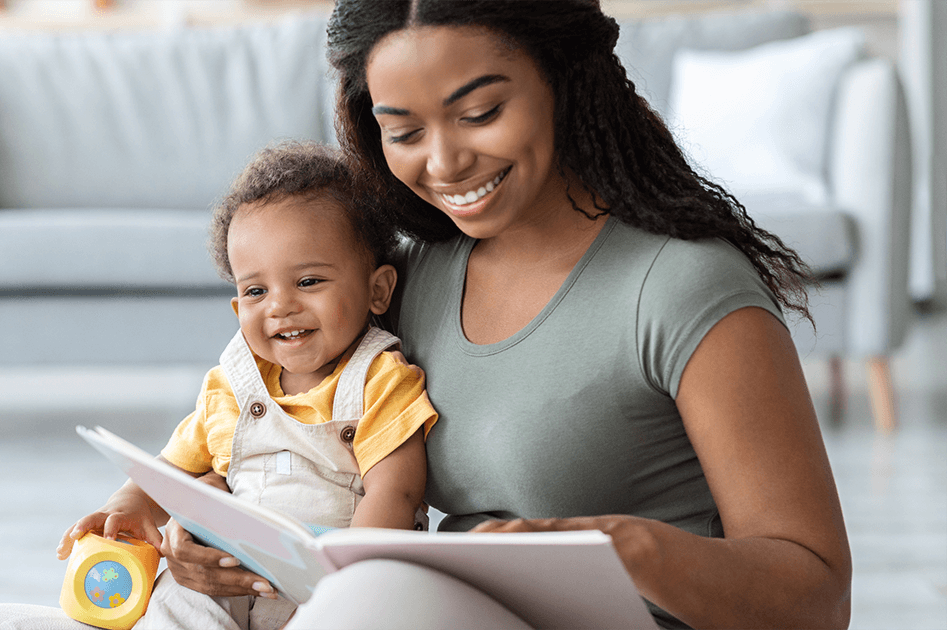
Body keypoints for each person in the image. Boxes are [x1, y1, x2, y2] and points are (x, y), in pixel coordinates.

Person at [167, 2, 853, 629]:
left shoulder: (684, 287)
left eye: (480, 113)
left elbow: (817, 597)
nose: (445, 161)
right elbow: (290, 431)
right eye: (403, 131)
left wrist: (618, 548)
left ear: (563, 80)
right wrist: (212, 527)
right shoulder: (410, 275)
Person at [0, 141, 437, 630]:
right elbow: (171, 471)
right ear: (239, 310)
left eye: (308, 282)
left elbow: (395, 494)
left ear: (377, 290)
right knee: (172, 598)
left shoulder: (380, 380)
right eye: (256, 291)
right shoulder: (232, 387)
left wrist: (336, 597)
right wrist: (124, 507)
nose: (280, 306)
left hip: (326, 590)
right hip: (223, 584)